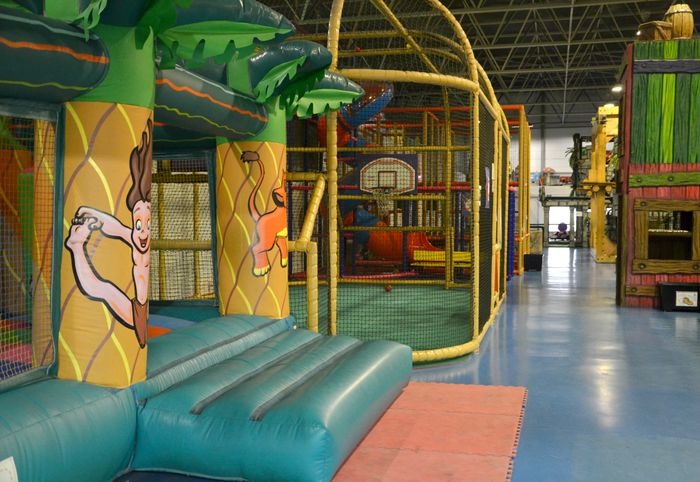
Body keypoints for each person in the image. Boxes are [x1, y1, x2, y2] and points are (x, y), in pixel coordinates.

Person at [64, 119, 152, 348]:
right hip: (136, 308)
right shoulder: (135, 236)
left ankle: (76, 245)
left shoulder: (140, 239)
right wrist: (91, 212)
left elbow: (117, 227)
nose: (143, 232)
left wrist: (91, 214)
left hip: (141, 309)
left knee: (104, 289)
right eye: (139, 225)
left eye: (147, 224)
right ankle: (76, 246)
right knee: (104, 289)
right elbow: (116, 227)